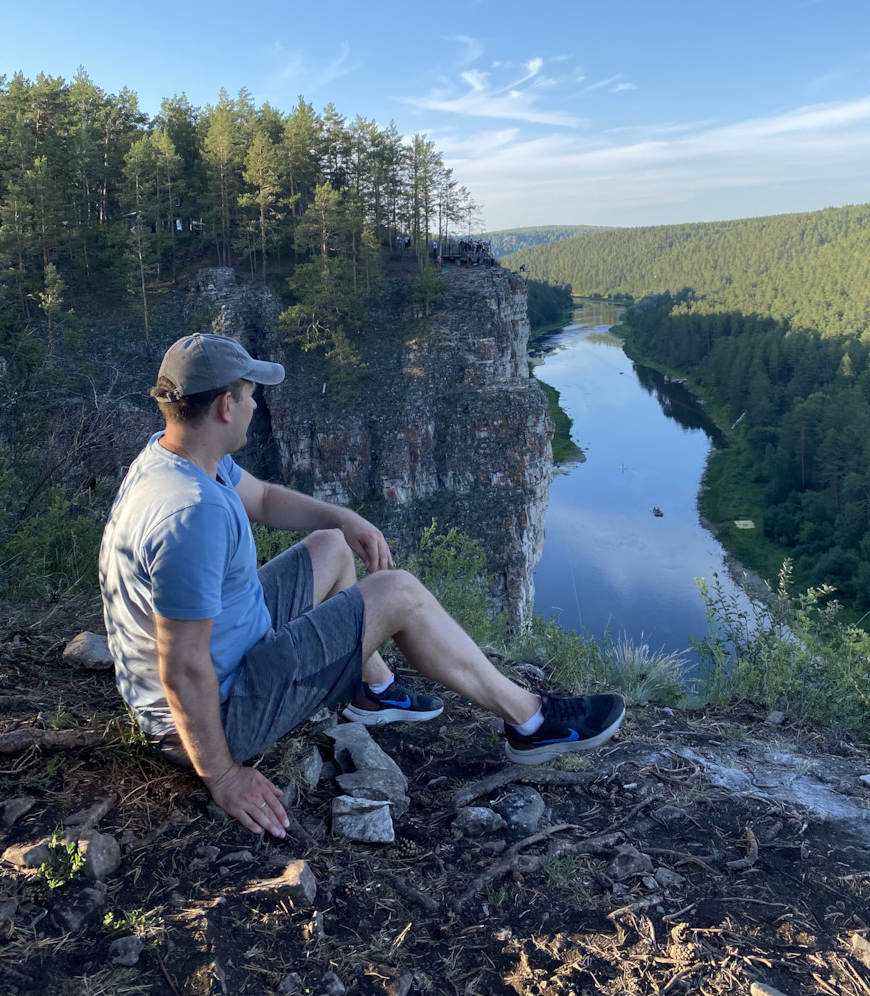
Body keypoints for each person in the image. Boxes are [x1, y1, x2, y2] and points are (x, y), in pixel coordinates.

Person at [100, 334, 625, 839]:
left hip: (228, 659)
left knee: (330, 545)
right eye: (250, 393)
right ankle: (530, 721)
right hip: (218, 715)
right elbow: (183, 664)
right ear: (224, 406)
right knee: (397, 591)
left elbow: (260, 499)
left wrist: (345, 518)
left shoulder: (173, 457)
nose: (256, 406)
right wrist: (222, 775)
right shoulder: (191, 516)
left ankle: (372, 693)